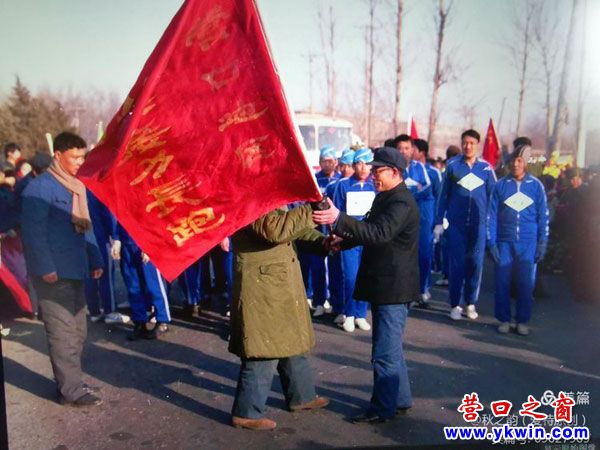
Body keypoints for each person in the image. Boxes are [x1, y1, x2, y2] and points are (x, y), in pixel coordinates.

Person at [313, 147, 420, 424]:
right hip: (387, 284)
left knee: (384, 352)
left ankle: (382, 408)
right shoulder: (387, 197)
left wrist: (337, 218)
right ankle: (399, 399)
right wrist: (342, 241)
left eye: (377, 170)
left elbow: (378, 233)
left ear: (394, 172)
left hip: (393, 287)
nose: (372, 175)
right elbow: (369, 230)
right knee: (391, 348)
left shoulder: (400, 202)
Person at [229, 204, 330, 430]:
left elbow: (291, 227)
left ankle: (302, 396)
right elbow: (274, 229)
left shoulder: (267, 193)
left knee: (290, 338)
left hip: (277, 279)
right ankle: (246, 413)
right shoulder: (249, 195)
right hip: (261, 283)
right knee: (263, 348)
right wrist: (312, 210)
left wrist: (321, 241)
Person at [21, 131, 104, 407]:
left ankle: (70, 382)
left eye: (82, 156)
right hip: (53, 274)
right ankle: (72, 390)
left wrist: (96, 260)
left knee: (79, 332)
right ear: (58, 155)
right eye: (75, 157)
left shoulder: (76, 186)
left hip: (76, 269)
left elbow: (86, 228)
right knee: (63, 333)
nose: (80, 162)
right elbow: (33, 234)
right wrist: (45, 267)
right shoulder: (40, 189)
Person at [486, 141, 549, 335]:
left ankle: (522, 320)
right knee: (502, 283)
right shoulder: (500, 186)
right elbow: (491, 216)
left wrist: (542, 242)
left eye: (520, 160)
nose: (515, 164)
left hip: (528, 243)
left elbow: (543, 216)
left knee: (525, 284)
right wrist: (491, 242)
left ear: (525, 163)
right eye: (513, 160)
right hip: (504, 242)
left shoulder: (536, 186)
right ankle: (504, 319)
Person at [434, 130, 496, 321]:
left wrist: (491, 224)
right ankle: (455, 304)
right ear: (461, 144)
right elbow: (443, 195)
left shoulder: (486, 169)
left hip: (478, 226)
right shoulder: (453, 166)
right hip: (456, 225)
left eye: (472, 143)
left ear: (477, 144)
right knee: (456, 265)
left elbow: (493, 199)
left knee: (475, 264)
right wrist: (439, 221)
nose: (468, 146)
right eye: (465, 143)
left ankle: (470, 302)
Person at [330, 147, 376, 332]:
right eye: (359, 163)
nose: (363, 168)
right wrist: (336, 235)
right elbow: (336, 213)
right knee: (350, 277)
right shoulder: (343, 185)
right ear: (354, 165)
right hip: (349, 239)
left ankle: (360, 314)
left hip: (369, 237)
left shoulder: (375, 185)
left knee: (365, 276)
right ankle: (348, 313)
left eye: (366, 164)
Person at [112, 223, 171, 340]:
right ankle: (139, 321)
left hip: (147, 243)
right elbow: (121, 217)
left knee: (154, 286)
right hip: (127, 244)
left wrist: (150, 244)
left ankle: (162, 321)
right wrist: (117, 239)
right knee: (133, 286)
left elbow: (155, 219)